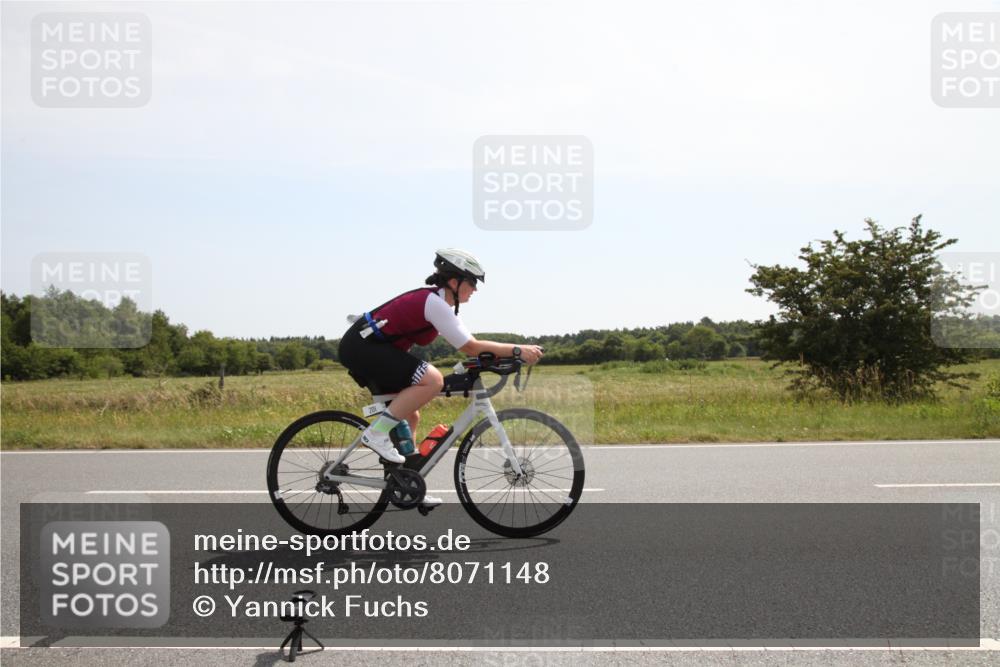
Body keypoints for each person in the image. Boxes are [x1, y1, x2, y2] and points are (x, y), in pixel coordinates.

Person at [338, 249, 544, 506]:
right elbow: (470, 346)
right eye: (472, 283)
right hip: (361, 348)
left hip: (369, 348)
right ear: (454, 282)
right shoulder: (434, 304)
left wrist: (499, 357)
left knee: (410, 412)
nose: (475, 290)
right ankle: (376, 434)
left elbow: (471, 346)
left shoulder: (438, 303)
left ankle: (404, 482)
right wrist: (517, 350)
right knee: (432, 380)